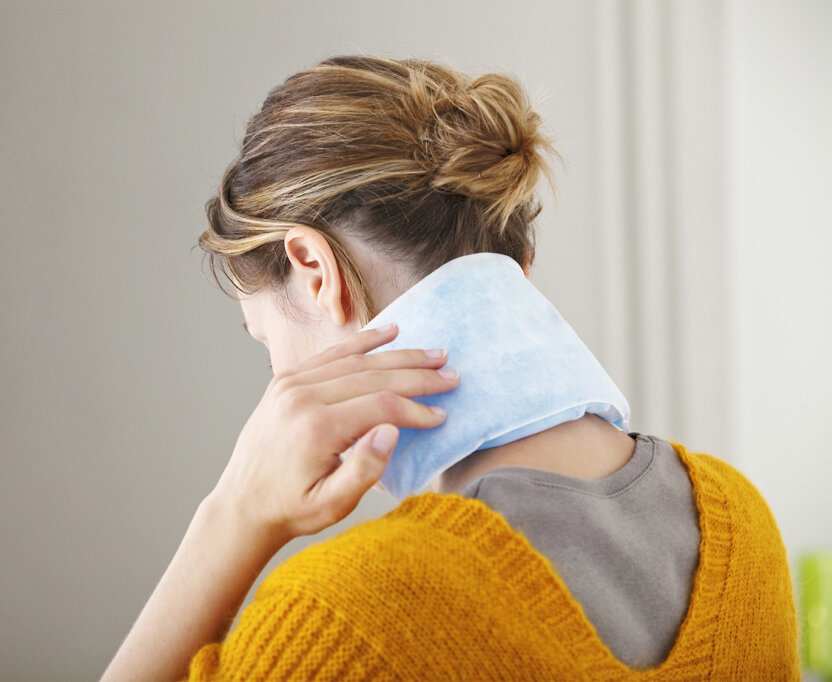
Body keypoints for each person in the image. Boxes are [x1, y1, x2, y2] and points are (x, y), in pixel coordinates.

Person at [101, 55, 799, 680]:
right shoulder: (742, 529)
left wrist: (235, 516)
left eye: (264, 340)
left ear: (315, 271)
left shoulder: (336, 619)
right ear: (518, 273)